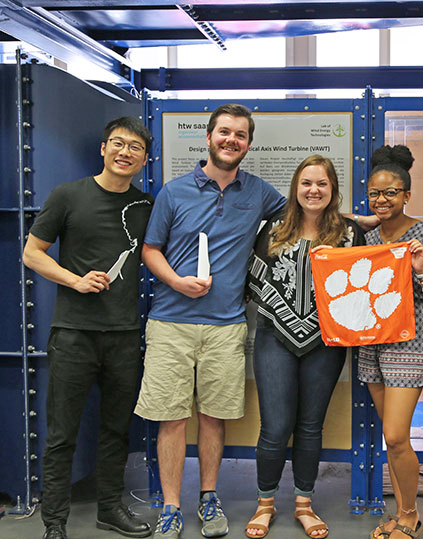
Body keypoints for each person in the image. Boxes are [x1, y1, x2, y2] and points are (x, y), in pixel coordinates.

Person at [133, 104, 285, 539]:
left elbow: (309, 214)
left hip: (226, 326)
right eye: (224, 132)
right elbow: (150, 250)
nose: (231, 140)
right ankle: (171, 506)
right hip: (170, 324)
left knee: (214, 417)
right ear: (209, 136)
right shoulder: (174, 192)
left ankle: (209, 497)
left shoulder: (258, 193)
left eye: (240, 135)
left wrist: (371, 221)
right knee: (171, 418)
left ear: (248, 144)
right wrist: (177, 283)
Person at [23, 117, 153, 539]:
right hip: (74, 334)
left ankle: (110, 509)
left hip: (123, 335)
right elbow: (32, 253)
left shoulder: (144, 206)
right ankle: (55, 523)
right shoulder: (68, 196)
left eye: (135, 147)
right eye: (118, 143)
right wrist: (74, 280)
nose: (125, 152)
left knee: (116, 429)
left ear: (144, 159)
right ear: (103, 148)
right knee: (63, 433)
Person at [244, 155, 366, 538]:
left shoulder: (349, 233)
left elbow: (358, 285)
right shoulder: (273, 228)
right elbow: (254, 279)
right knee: (275, 427)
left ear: (332, 190)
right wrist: (287, 316)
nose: (314, 190)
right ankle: (264, 504)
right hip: (273, 337)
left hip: (327, 342)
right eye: (307, 183)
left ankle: (303, 504)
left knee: (311, 427)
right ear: (295, 188)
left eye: (322, 184)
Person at [359, 145, 423, 539]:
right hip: (370, 345)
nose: (382, 200)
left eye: (390, 192)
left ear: (407, 195)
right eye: (375, 193)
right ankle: (399, 515)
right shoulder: (367, 237)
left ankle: (411, 515)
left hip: (409, 346)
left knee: (395, 435)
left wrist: (421, 269)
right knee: (392, 439)